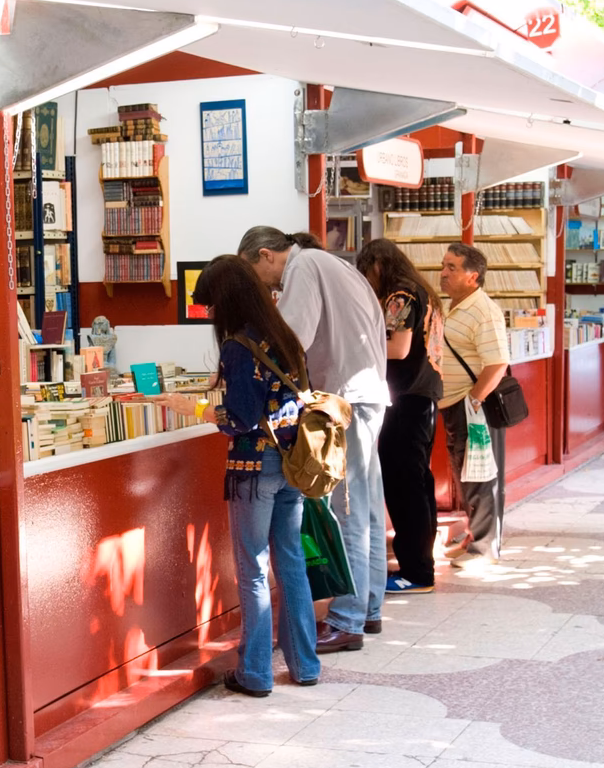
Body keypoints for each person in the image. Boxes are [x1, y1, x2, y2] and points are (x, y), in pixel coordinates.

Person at [238, 227, 388, 652]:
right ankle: (369, 606)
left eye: (256, 273)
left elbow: (292, 339)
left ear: (267, 255)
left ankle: (347, 618)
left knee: (347, 510)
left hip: (343, 399)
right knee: (367, 505)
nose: (262, 285)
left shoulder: (304, 267)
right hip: (367, 393)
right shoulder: (336, 264)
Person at [182, 256, 322, 696]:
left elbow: (239, 418)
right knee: (291, 564)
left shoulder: (239, 347)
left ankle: (257, 672)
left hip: (252, 470)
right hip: (290, 465)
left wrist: (200, 410)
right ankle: (305, 666)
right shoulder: (284, 336)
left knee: (254, 569)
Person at [356, 238, 444, 596]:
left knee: (403, 486)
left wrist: (360, 340)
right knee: (418, 484)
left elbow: (398, 347)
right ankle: (420, 563)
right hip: (424, 396)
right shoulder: (423, 292)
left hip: (405, 399)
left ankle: (416, 571)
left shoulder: (401, 296)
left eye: (367, 271)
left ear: (378, 264)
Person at [438, 243, 512, 564]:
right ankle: (475, 539)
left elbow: (497, 363)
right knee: (465, 473)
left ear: (473, 276)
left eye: (452, 268)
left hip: (471, 408)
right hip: (455, 405)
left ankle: (484, 548)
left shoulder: (483, 311)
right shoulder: (455, 306)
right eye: (443, 266)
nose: (443, 273)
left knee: (478, 476)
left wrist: (474, 400)